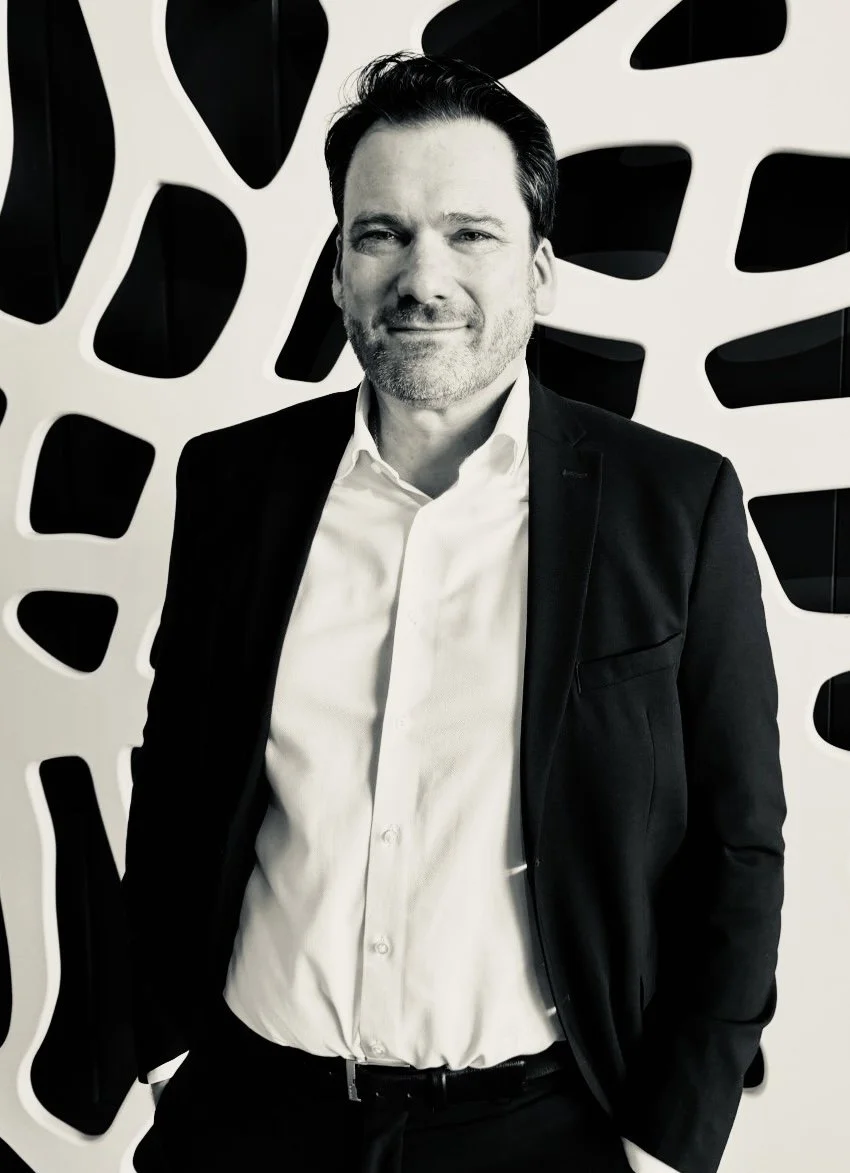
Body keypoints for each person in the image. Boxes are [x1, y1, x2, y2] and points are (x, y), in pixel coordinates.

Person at [125, 51, 785, 1173]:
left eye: (469, 233)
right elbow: (178, 776)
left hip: (537, 1130)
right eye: (380, 234)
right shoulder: (233, 483)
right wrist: (160, 1039)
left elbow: (739, 839)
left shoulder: (674, 506)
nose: (421, 277)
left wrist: (674, 1131)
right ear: (338, 272)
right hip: (244, 1116)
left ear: (540, 270)